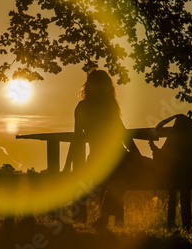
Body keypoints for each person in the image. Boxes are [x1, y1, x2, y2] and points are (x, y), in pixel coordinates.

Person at [62, 69, 150, 230]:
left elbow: (77, 139)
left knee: (117, 180)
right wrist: (137, 155)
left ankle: (100, 218)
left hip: (100, 157)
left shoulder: (84, 106)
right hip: (112, 158)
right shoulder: (109, 105)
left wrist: (68, 165)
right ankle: (105, 218)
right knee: (120, 180)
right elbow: (122, 134)